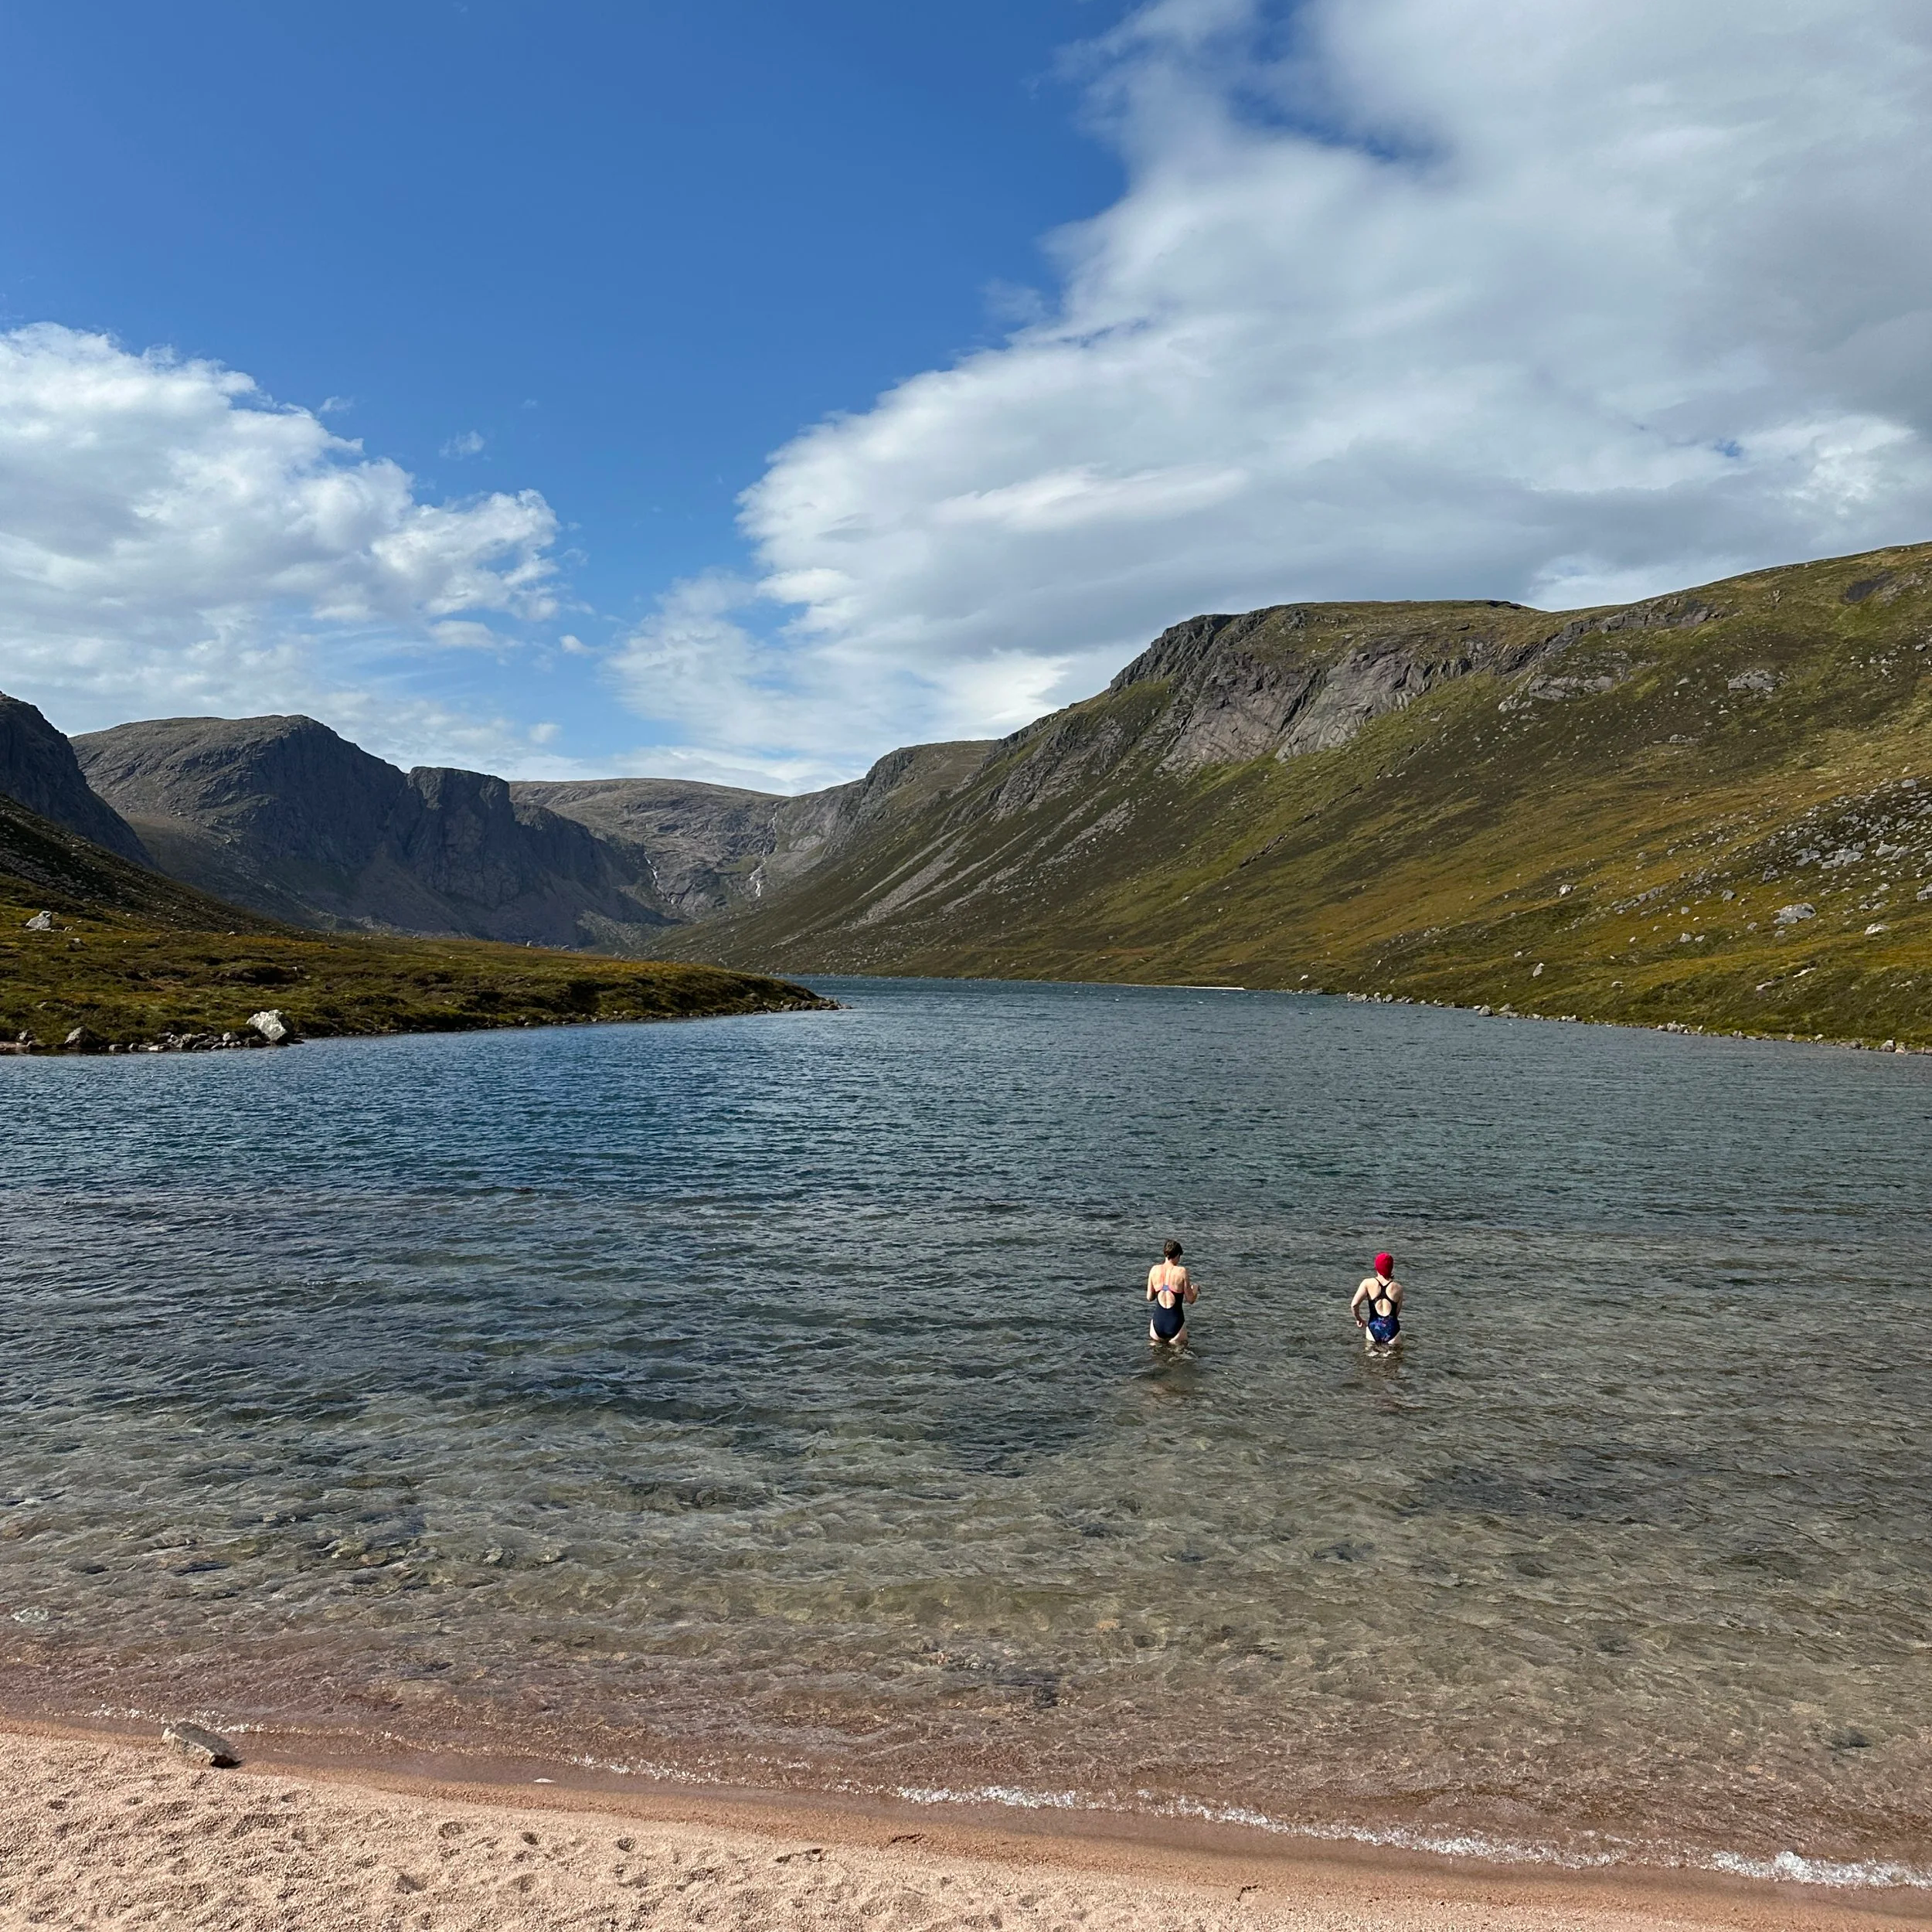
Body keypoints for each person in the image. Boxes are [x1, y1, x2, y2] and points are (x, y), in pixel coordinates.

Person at [1146, 1240, 1198, 1348]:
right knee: (1180, 1359)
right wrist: (1195, 1289)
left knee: (1156, 1359)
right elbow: (1190, 1300)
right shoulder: (1182, 1271)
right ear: (1178, 1255)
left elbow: (1149, 1297)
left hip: (1157, 1325)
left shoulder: (1154, 1270)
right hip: (1176, 1324)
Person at [1350, 1252, 1403, 1353]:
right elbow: (1396, 1314)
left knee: (1371, 1365)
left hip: (1373, 1327)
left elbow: (1354, 1305)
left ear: (1376, 1266)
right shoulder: (1399, 1288)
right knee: (1392, 1365)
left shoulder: (1367, 1283)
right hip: (1392, 1329)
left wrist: (1359, 1318)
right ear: (1391, 1268)